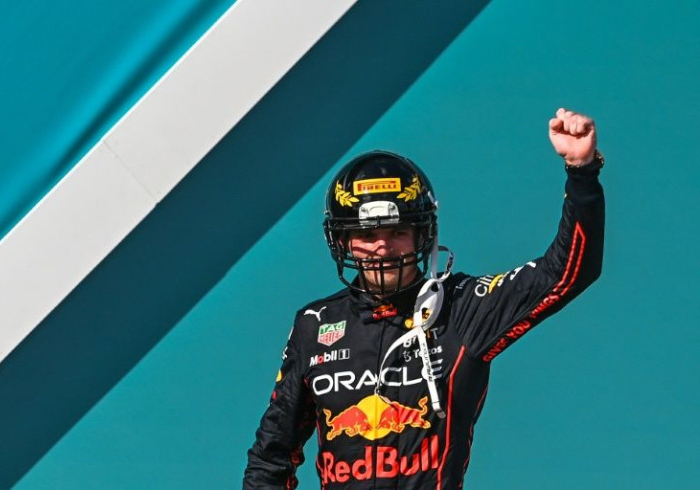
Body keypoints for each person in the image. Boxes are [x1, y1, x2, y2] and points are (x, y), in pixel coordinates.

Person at [243, 108, 604, 489]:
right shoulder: (314, 325)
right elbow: (272, 456)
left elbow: (566, 273)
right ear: (343, 241)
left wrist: (582, 173)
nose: (381, 246)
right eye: (366, 234)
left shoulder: (463, 306)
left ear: (421, 236)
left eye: (397, 231)